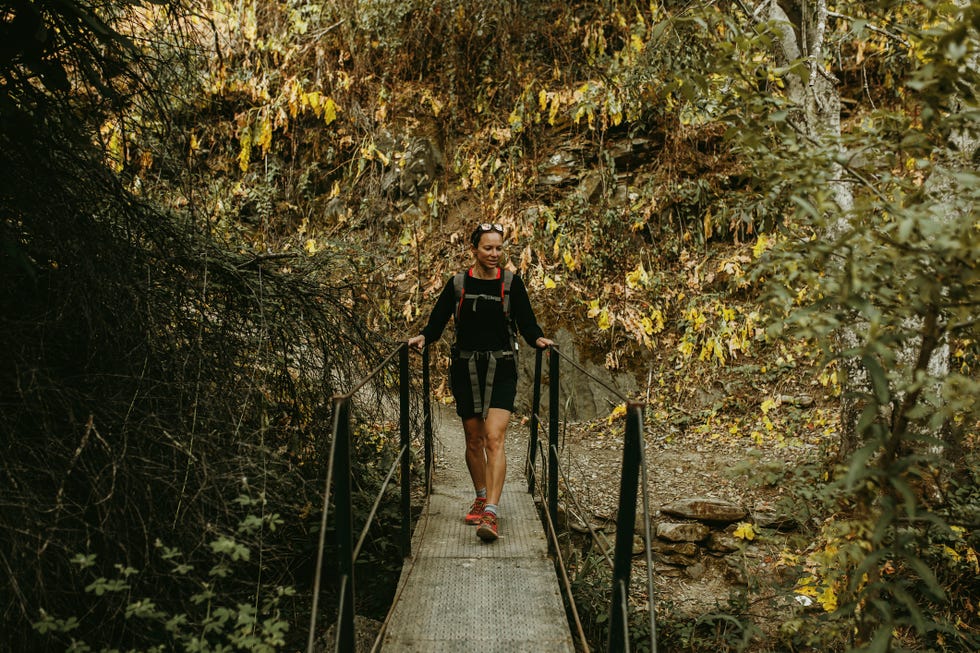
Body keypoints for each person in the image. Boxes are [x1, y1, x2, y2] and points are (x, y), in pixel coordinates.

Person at [408, 222, 553, 542]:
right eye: (488, 248)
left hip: (502, 367)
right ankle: (480, 494)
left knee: (494, 437)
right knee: (473, 439)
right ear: (474, 250)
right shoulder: (458, 283)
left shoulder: (512, 283)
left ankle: (491, 511)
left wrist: (538, 339)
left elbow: (527, 323)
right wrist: (424, 337)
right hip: (465, 367)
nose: (494, 254)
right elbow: (437, 320)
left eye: (499, 248)